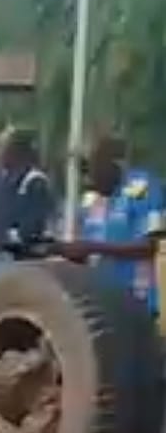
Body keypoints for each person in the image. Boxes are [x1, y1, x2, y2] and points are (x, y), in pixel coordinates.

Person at [59, 134, 166, 316]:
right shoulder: (90, 199)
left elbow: (148, 246)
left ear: (115, 164)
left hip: (137, 302)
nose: (88, 177)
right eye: (84, 170)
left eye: (93, 168)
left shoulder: (142, 187)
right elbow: (85, 250)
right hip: (101, 303)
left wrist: (92, 247)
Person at [0, 126, 55, 256]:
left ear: (16, 152)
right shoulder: (3, 181)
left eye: (2, 148)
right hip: (1, 254)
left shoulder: (35, 183)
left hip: (27, 258)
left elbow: (30, 230)